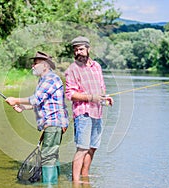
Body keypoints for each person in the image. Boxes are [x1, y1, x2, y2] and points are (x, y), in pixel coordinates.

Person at [5, 51, 68, 184]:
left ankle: (49, 185)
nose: (32, 66)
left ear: (45, 65)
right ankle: (53, 183)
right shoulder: (44, 79)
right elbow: (41, 102)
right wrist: (23, 107)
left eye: (36, 63)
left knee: (48, 158)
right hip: (53, 124)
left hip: (53, 124)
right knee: (52, 156)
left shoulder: (50, 79)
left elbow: (36, 99)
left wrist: (16, 100)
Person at [64, 36, 114, 182]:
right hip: (83, 113)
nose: (78, 52)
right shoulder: (72, 70)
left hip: (97, 113)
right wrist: (91, 97)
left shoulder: (97, 66)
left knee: (93, 147)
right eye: (75, 50)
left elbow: (101, 89)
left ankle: (84, 176)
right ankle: (75, 181)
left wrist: (105, 99)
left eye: (81, 49)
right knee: (82, 148)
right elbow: (71, 94)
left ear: (88, 49)